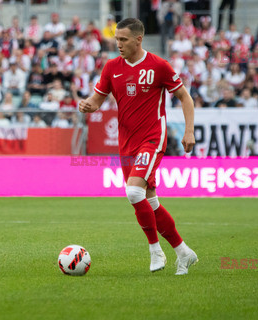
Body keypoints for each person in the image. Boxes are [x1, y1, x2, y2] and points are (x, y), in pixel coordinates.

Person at [79, 18, 198, 275]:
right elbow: (98, 99)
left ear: (138, 39)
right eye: (116, 39)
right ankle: (183, 252)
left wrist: (189, 131)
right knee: (149, 200)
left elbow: (184, 97)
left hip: (153, 137)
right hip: (127, 142)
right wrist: (88, 104)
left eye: (123, 39)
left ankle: (156, 252)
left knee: (133, 193)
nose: (118, 44)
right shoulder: (111, 67)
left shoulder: (159, 66)